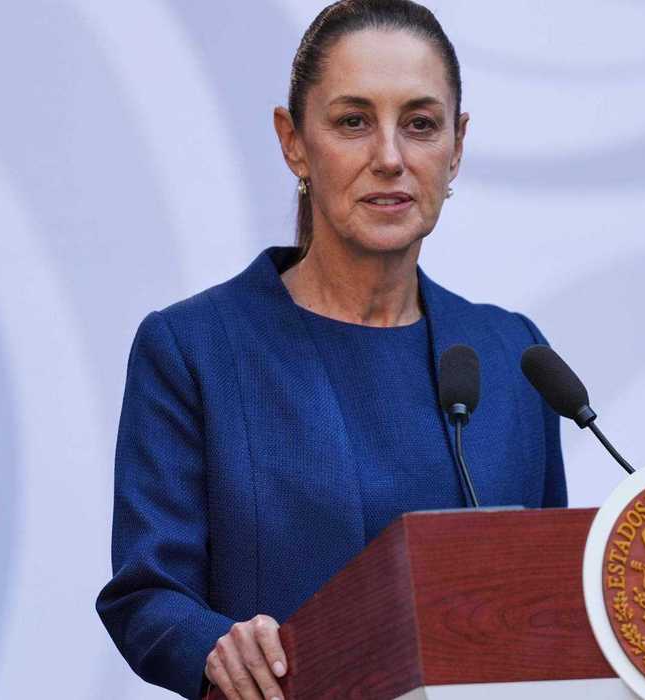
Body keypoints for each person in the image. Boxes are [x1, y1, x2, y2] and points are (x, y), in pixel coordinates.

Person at [95, 1, 567, 698]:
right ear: (293, 142)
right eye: (352, 122)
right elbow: (146, 594)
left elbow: (552, 588)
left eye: (420, 124)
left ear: (456, 146)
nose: (389, 157)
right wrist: (216, 647)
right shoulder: (193, 349)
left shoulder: (512, 355)